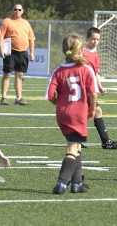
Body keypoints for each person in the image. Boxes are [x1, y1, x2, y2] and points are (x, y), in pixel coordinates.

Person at [46, 34, 98, 194]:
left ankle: (77, 183)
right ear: (80, 50)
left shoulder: (59, 70)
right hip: (78, 113)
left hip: (62, 114)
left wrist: (58, 102)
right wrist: (92, 109)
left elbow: (49, 95)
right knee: (71, 148)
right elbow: (93, 93)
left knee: (76, 147)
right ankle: (61, 183)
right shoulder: (86, 69)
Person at [83, 27, 117, 149]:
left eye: (97, 39)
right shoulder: (82, 52)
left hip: (90, 88)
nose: (95, 42)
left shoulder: (95, 55)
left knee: (86, 112)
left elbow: (95, 73)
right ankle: (105, 141)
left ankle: (76, 138)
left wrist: (100, 86)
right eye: (93, 39)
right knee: (96, 111)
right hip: (83, 88)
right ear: (87, 39)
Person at [0, 3, 35, 106]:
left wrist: (32, 52)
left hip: (23, 52)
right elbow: (0, 37)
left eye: (19, 10)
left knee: (19, 74)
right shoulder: (7, 21)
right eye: (15, 9)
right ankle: (4, 97)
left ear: (22, 11)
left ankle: (18, 98)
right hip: (10, 51)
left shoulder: (26, 23)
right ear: (12, 10)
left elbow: (31, 39)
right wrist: (1, 50)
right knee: (7, 74)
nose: (17, 11)